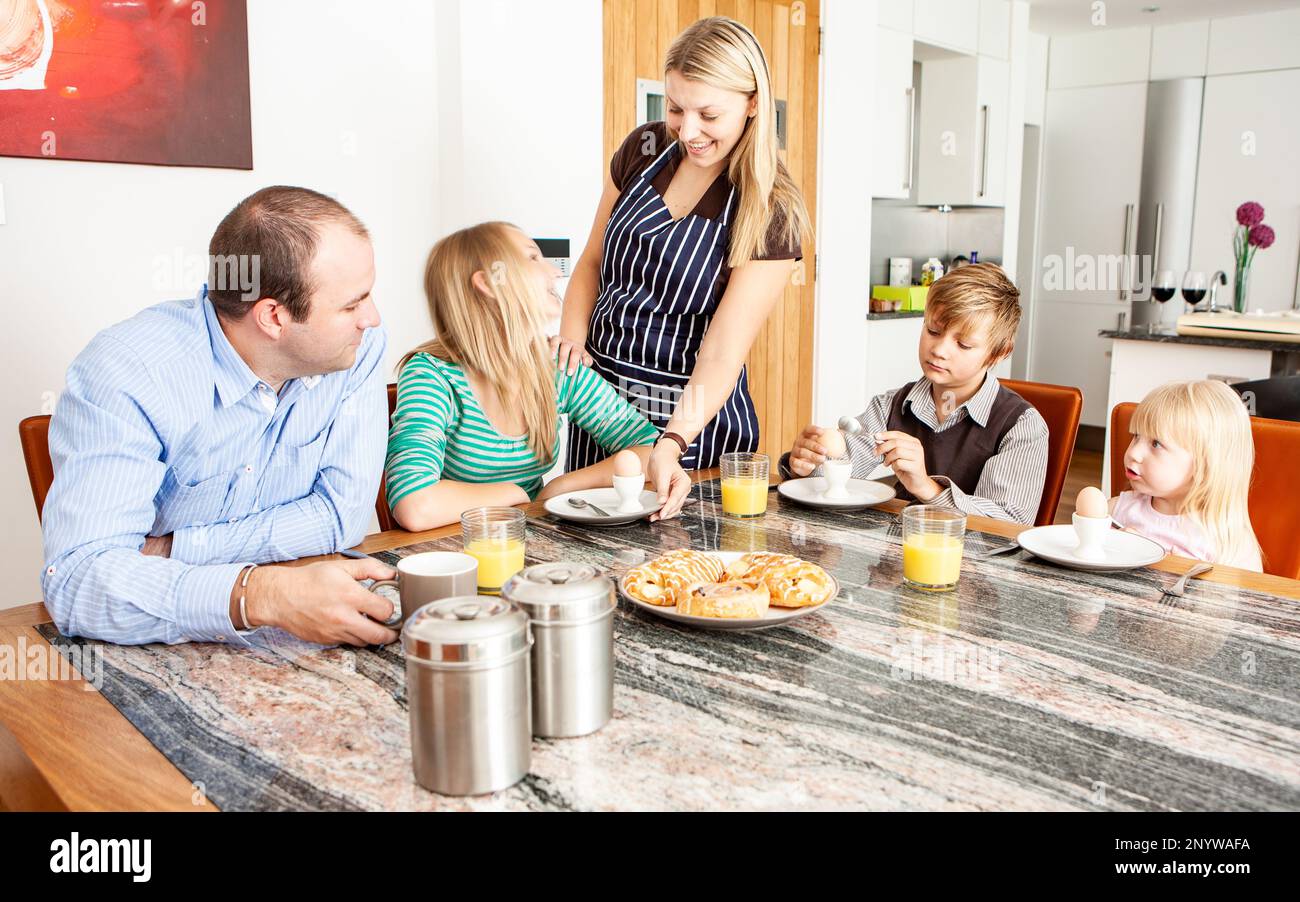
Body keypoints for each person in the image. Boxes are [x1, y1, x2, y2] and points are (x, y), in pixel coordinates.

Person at [41, 186, 400, 648]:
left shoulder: (356, 349)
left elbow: (342, 516)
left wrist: (174, 549)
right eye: (352, 304)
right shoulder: (128, 372)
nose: (370, 319)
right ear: (273, 316)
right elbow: (78, 581)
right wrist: (259, 594)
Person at [552, 16, 811, 496]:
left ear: (754, 103)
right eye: (675, 108)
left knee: (681, 566)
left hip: (691, 419)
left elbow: (722, 352)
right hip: (601, 405)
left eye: (708, 116)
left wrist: (671, 441)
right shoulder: (644, 150)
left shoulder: (771, 208)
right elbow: (592, 260)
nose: (687, 131)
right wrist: (571, 342)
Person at [385, 222, 692, 531]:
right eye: (532, 258)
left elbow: (649, 449)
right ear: (489, 283)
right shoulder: (432, 376)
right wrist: (517, 495)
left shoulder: (557, 368)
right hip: (458, 554)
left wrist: (560, 487)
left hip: (528, 543)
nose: (555, 272)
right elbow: (415, 505)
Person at [784, 263, 1048, 524]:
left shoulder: (1020, 427)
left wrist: (927, 488)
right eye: (933, 330)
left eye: (964, 344)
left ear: (998, 353)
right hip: (897, 555)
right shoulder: (892, 405)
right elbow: (838, 471)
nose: (940, 350)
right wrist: (807, 464)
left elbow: (1007, 523)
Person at [1105, 380, 1262, 570]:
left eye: (1156, 444)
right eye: (1136, 436)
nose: (1133, 453)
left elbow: (1247, 598)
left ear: (1205, 464)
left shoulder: (1229, 543)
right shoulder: (1116, 511)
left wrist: (1175, 569)